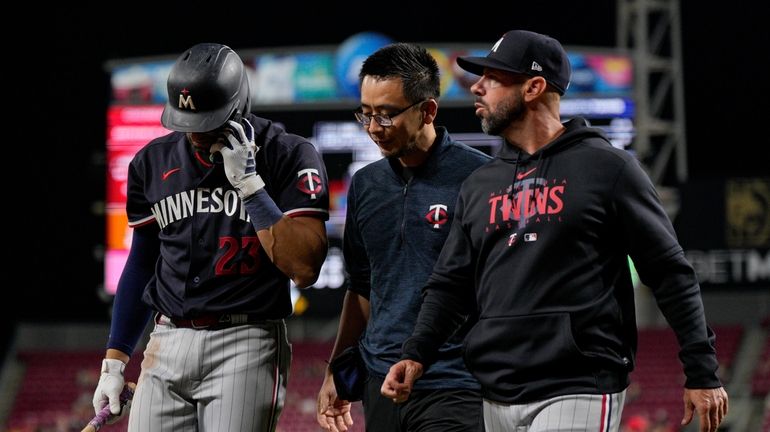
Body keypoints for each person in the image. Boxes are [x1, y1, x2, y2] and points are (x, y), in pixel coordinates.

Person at [381, 30, 729, 432]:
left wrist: (702, 371)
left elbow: (668, 272)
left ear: (533, 87)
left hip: (578, 381)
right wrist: (416, 352)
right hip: (496, 388)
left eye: (492, 78)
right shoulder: (481, 184)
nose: (476, 87)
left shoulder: (607, 168)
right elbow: (450, 284)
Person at [91, 43, 329, 432]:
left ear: (239, 106)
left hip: (246, 338)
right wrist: (114, 362)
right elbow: (141, 264)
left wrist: (252, 187)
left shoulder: (288, 154)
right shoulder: (152, 162)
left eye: (206, 120)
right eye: (186, 121)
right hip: (166, 337)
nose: (196, 133)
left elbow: (304, 269)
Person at [316, 43, 491, 432]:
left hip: (456, 384)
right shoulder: (365, 185)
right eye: (366, 113)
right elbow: (362, 289)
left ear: (428, 110)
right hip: (380, 384)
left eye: (388, 115)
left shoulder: (481, 179)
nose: (375, 127)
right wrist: (337, 370)